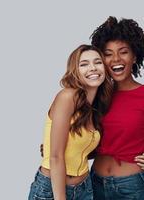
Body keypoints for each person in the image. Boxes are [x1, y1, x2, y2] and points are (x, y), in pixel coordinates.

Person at [89, 16, 144, 200]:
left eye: (123, 52)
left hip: (131, 188)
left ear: (134, 56)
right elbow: (90, 147)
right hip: (93, 183)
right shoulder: (95, 95)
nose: (116, 59)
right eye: (108, 53)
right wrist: (58, 146)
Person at [28, 44, 113, 200]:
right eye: (84, 64)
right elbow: (55, 156)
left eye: (98, 62)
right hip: (52, 190)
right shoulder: (67, 97)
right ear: (75, 71)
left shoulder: (96, 107)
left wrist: (140, 155)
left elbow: (83, 151)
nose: (93, 68)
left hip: (84, 189)